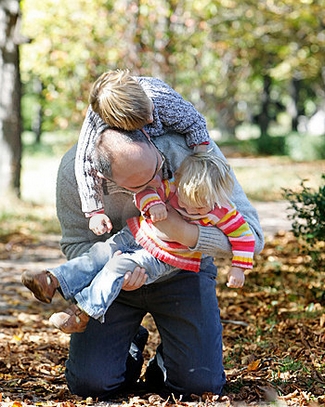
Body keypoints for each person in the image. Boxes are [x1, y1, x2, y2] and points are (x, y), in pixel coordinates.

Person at [36, 123, 264, 400]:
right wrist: (114, 272)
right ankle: (126, 339)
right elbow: (75, 243)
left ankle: (173, 357)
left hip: (182, 270)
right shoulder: (75, 170)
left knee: (198, 386)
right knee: (91, 385)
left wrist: (183, 231)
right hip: (112, 271)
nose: (155, 183)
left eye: (157, 170)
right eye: (138, 184)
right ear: (104, 175)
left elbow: (252, 236)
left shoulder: (192, 151)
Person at [22, 148, 255, 334]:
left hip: (163, 256)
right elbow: (146, 191)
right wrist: (152, 203)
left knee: (117, 266)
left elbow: (245, 237)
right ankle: (53, 280)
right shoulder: (174, 188)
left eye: (199, 207)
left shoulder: (224, 212)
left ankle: (81, 314)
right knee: (102, 252)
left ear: (217, 197)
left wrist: (239, 268)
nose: (187, 208)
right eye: (183, 201)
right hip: (136, 234)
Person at [75, 69, 210, 236]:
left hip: (164, 154)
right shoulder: (98, 121)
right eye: (142, 120)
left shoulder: (163, 99)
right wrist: (95, 211)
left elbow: (196, 123)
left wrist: (199, 164)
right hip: (133, 156)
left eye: (150, 111)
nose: (151, 119)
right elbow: (85, 163)